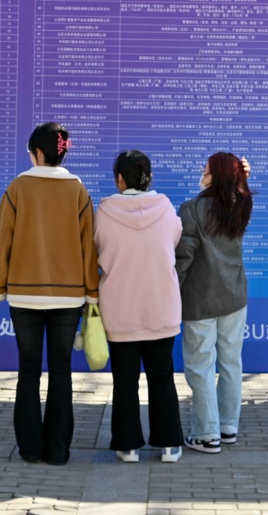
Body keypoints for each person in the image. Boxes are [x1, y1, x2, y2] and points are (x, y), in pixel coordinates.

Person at [0, 122, 99, 465]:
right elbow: (89, 248)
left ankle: (31, 448)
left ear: (37, 152)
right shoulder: (77, 190)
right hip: (69, 296)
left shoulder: (18, 187)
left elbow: (1, 241)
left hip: (24, 294)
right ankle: (58, 450)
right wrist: (91, 292)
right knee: (61, 370)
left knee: (29, 369)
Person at [94, 150, 185, 464]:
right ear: (149, 177)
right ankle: (169, 445)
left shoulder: (103, 213)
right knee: (162, 378)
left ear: (120, 179)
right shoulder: (166, 208)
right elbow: (174, 239)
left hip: (120, 312)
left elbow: (94, 247)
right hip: (161, 308)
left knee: (125, 381)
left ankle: (128, 445)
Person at [175, 151, 253, 454]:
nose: (202, 174)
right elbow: (241, 193)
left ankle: (206, 434)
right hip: (235, 295)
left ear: (215, 176)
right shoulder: (240, 206)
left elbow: (183, 258)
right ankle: (227, 427)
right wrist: (243, 178)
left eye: (206, 170)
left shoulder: (191, 210)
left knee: (200, 366)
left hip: (200, 298)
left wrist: (172, 291)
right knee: (232, 362)